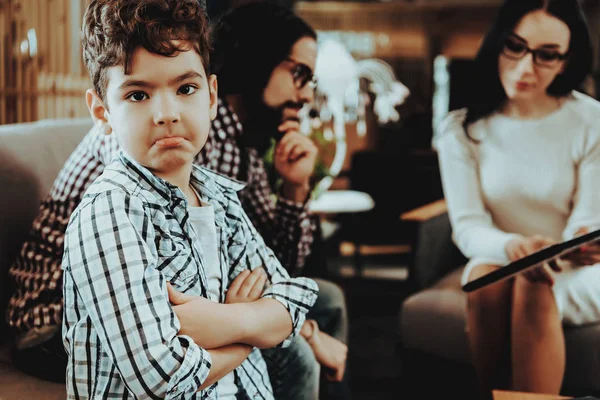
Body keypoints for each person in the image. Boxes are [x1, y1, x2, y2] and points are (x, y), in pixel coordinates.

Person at [6, 0, 348, 397]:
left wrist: (294, 190)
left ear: (210, 93)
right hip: (55, 318)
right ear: (102, 112)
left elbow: (282, 277)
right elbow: (162, 367)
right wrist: (254, 327)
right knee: (297, 353)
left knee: (325, 302)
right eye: (138, 95)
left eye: (186, 88)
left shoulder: (218, 178)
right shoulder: (131, 183)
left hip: (171, 310)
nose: (166, 113)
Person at [435, 0, 600, 397]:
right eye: (516, 47)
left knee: (533, 281)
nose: (525, 68)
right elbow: (468, 226)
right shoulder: (460, 129)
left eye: (546, 56)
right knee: (481, 278)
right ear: (498, 43)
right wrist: (515, 246)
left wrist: (579, 240)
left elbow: (591, 218)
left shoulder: (591, 120)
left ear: (565, 61)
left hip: (578, 268)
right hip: (503, 255)